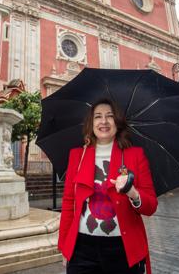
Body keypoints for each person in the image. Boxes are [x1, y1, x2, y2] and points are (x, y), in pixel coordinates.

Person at [58, 98, 158, 274]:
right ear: (91, 123)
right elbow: (68, 203)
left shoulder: (134, 155)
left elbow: (151, 206)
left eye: (109, 116)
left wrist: (132, 192)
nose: (103, 121)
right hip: (82, 248)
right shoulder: (77, 156)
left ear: (117, 122)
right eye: (98, 116)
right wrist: (64, 246)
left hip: (123, 249)